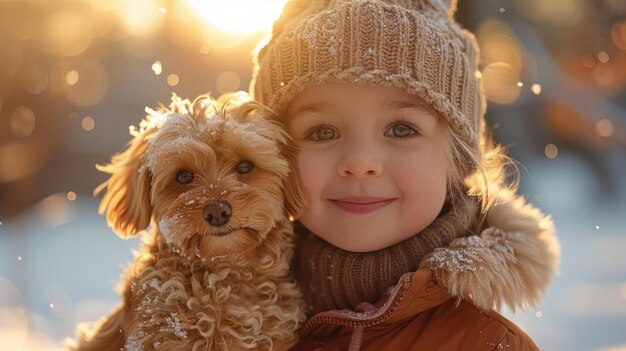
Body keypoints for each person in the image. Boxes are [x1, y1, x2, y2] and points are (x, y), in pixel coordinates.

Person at [249, 0, 561, 349]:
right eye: (322, 132)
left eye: (400, 130)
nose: (360, 162)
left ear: (457, 160)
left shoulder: (486, 343)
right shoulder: (215, 325)